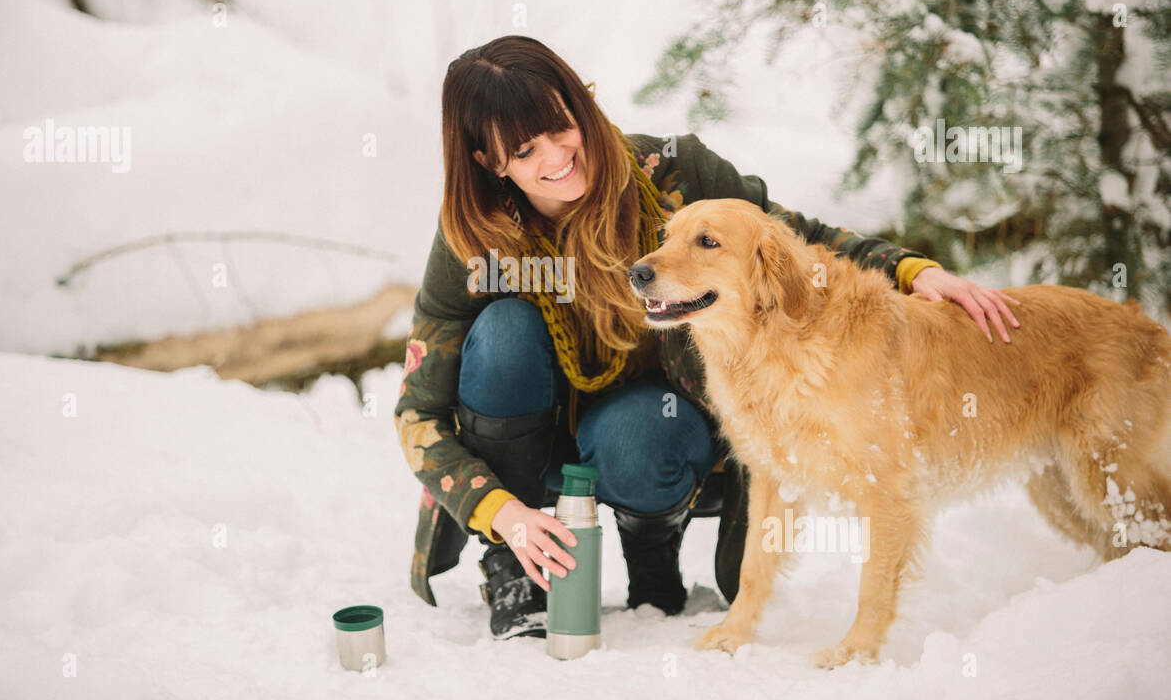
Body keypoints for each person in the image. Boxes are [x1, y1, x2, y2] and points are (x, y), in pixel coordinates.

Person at [393, 34, 1021, 639]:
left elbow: (794, 240)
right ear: (487, 161)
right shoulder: (475, 241)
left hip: (657, 431)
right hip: (528, 451)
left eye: (561, 128)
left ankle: (653, 557)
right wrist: (497, 510)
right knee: (504, 332)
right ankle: (514, 572)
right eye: (525, 152)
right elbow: (418, 411)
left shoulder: (669, 171)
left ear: (579, 106)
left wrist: (916, 270)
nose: (557, 159)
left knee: (646, 425)